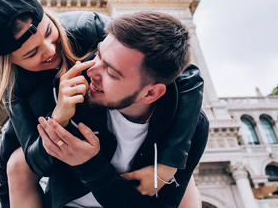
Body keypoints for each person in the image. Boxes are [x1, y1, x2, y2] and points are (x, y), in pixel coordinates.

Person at [0, 0, 204, 207]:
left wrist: (169, 163)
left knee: (182, 177)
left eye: (49, 32)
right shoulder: (16, 89)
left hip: (122, 155)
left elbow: (180, 70)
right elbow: (25, 164)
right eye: (32, 53)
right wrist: (57, 118)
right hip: (71, 172)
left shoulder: (87, 27)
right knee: (18, 162)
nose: (50, 50)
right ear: (10, 62)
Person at [37, 12, 209, 207]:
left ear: (151, 94)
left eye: (111, 72)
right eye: (99, 54)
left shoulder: (190, 127)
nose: (91, 71)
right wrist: (56, 120)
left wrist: (91, 166)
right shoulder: (71, 91)